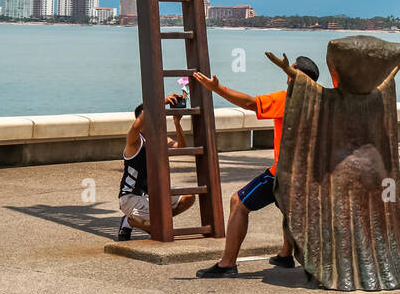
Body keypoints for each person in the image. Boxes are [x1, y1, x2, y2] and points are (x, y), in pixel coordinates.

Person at [191, 54, 320, 278]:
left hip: (283, 173)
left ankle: (227, 264)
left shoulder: (287, 98)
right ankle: (285, 254)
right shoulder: (321, 100)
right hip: (311, 174)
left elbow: (250, 103)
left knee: (238, 202)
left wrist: (217, 88)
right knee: (289, 209)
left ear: (293, 77)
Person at [116, 93, 193, 240]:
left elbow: (182, 147)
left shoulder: (160, 139)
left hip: (151, 196)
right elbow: (135, 126)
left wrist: (177, 123)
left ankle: (154, 223)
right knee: (162, 229)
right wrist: (159, 101)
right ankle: (131, 221)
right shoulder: (134, 141)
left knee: (188, 197)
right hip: (131, 197)